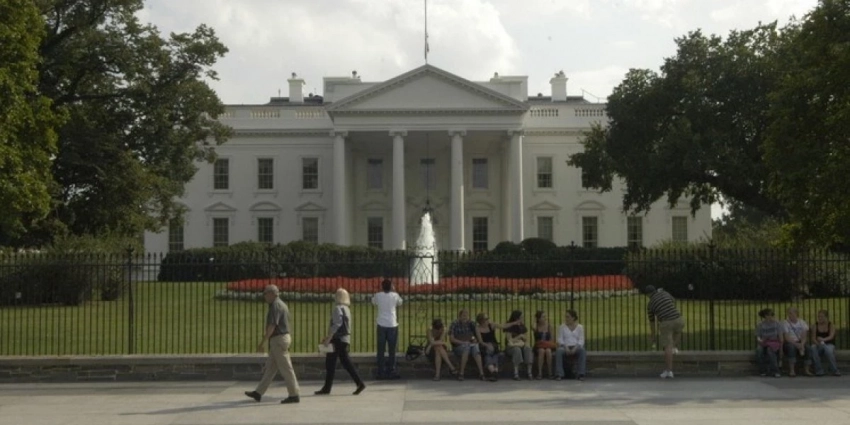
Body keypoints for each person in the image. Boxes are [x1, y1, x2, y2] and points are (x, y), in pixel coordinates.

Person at [244, 285, 301, 404]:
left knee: (286, 368)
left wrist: (262, 342)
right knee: (270, 368)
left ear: (272, 294)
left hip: (278, 339)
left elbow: (272, 326)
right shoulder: (282, 304)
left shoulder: (275, 305)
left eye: (265, 293)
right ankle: (258, 392)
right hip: (281, 339)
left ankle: (294, 394)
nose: (264, 296)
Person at [315, 288, 366, 396]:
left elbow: (337, 324)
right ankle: (359, 383)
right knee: (345, 362)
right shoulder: (347, 309)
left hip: (337, 339)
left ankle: (327, 388)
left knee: (331, 363)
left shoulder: (337, 308)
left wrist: (328, 338)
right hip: (345, 339)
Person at [644, 285, 685, 379]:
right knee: (678, 331)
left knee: (667, 346)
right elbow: (673, 300)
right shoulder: (664, 293)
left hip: (666, 322)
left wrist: (653, 335)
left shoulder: (650, 304)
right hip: (678, 318)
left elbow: (652, 322)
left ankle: (669, 371)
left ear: (648, 295)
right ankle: (674, 347)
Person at [372, 278, 403, 379]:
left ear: (382, 286)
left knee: (380, 349)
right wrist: (394, 290)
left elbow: (373, 302)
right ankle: (392, 370)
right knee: (392, 349)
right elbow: (400, 302)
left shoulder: (378, 295)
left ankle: (381, 371)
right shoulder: (395, 295)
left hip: (381, 324)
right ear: (391, 286)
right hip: (392, 324)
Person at [449, 309, 486, 381]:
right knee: (466, 348)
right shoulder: (454, 324)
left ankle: (481, 373)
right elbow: (452, 339)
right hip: (458, 346)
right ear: (459, 316)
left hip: (470, 344)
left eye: (466, 316)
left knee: (476, 348)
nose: (465, 317)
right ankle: (461, 373)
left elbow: (477, 333)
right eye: (463, 316)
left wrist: (475, 340)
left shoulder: (471, 323)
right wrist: (463, 342)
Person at [555, 309, 586, 381]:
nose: (566, 319)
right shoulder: (562, 327)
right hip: (565, 346)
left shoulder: (580, 327)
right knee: (559, 351)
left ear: (573, 318)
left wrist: (575, 347)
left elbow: (581, 340)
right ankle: (559, 374)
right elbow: (560, 339)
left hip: (576, 346)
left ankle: (581, 374)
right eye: (566, 317)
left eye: (568, 317)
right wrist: (565, 347)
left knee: (582, 351)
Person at [808, 309, 840, 376]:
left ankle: (835, 370)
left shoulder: (831, 325)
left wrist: (823, 340)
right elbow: (813, 338)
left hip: (829, 344)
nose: (820, 318)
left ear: (826, 317)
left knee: (828, 350)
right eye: (819, 316)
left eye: (822, 316)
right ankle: (819, 370)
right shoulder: (815, 325)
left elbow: (831, 336)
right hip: (818, 344)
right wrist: (818, 343)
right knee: (813, 348)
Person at [503, 310, 534, 380]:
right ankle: (516, 372)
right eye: (521, 317)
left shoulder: (523, 326)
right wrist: (519, 336)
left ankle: (529, 372)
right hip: (511, 346)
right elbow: (509, 340)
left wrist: (524, 339)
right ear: (516, 318)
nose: (522, 319)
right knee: (517, 350)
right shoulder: (509, 326)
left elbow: (526, 339)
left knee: (528, 348)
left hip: (521, 344)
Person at [781, 307, 809, 377]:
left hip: (800, 341)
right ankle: (792, 370)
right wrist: (796, 344)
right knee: (791, 348)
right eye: (789, 313)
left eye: (791, 313)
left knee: (808, 348)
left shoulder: (802, 322)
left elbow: (804, 336)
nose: (790, 315)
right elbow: (787, 337)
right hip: (790, 342)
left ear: (796, 313)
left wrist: (802, 344)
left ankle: (807, 370)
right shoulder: (785, 323)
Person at [755, 308, 783, 378]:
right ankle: (762, 370)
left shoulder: (777, 324)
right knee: (759, 350)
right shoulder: (760, 324)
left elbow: (780, 336)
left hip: (774, 342)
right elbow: (758, 336)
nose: (770, 317)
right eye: (767, 315)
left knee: (770, 350)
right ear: (764, 316)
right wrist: (760, 340)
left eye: (771, 315)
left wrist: (781, 347)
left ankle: (775, 371)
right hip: (764, 342)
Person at [533, 311, 556, 379]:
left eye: (545, 316)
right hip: (539, 346)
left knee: (548, 351)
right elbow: (533, 327)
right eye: (543, 317)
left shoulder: (549, 326)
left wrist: (547, 343)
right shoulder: (536, 326)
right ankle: (540, 373)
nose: (545, 318)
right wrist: (535, 321)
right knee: (541, 351)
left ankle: (550, 372)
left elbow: (552, 339)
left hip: (547, 345)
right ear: (539, 318)